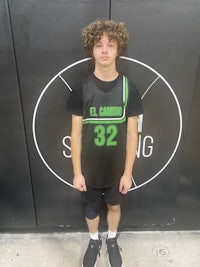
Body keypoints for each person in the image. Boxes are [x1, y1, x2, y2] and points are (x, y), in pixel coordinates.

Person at [67, 19, 143, 267]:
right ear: (91, 49)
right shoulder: (81, 88)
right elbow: (75, 134)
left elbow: (133, 135)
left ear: (118, 49)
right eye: (99, 45)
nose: (104, 50)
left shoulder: (129, 89)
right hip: (89, 170)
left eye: (110, 44)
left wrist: (127, 173)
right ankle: (93, 240)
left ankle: (111, 239)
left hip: (116, 170)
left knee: (113, 207)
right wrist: (77, 172)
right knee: (90, 210)